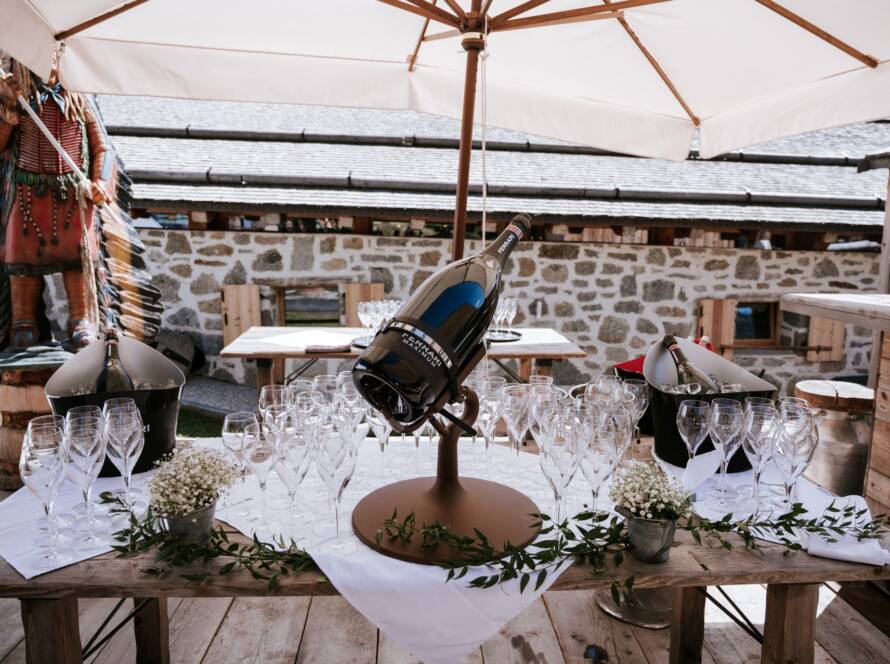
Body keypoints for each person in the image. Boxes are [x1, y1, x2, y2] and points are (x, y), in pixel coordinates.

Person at [0, 59, 110, 349]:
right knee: (22, 262)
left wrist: (99, 182)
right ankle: (23, 320)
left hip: (74, 197)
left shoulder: (79, 97)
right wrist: (8, 107)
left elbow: (102, 147)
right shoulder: (14, 93)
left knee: (78, 262)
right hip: (26, 192)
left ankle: (81, 319)